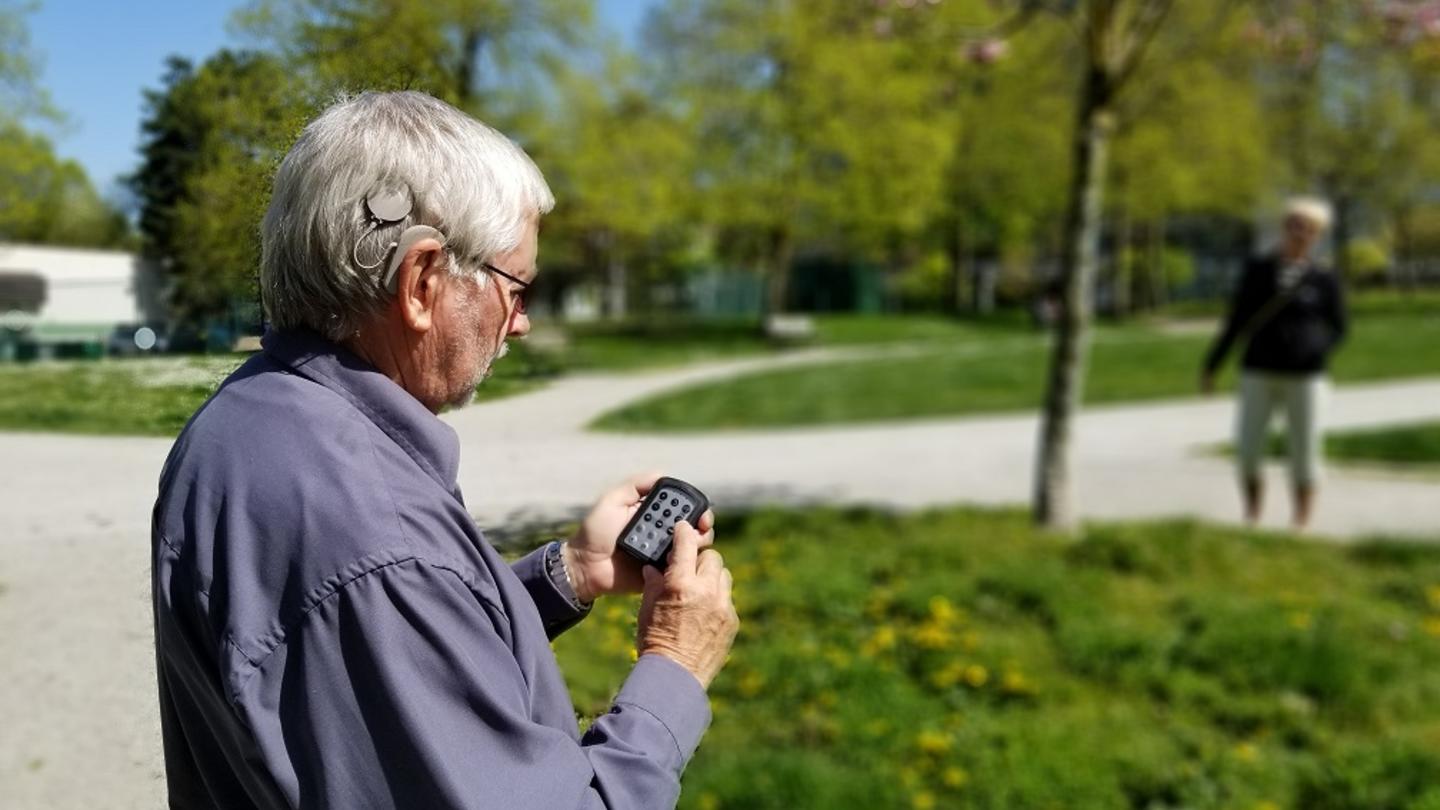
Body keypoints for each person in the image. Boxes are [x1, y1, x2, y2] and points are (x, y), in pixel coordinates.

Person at [150, 91, 739, 809]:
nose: (519, 324)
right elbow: (383, 598)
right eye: (517, 287)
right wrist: (674, 668)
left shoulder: (244, 418)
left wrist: (569, 575)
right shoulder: (376, 532)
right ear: (423, 282)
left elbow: (372, 663)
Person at [1201, 197, 1348, 531]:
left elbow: (1340, 327)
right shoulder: (1258, 270)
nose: (1299, 233)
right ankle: (1252, 515)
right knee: (1248, 449)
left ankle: (1300, 522)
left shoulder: (1324, 277)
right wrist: (1213, 364)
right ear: (1283, 228)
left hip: (1306, 376)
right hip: (1259, 371)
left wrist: (1317, 347)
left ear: (1318, 235)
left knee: (1305, 452)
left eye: (1308, 228)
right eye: (1293, 225)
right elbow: (1236, 320)